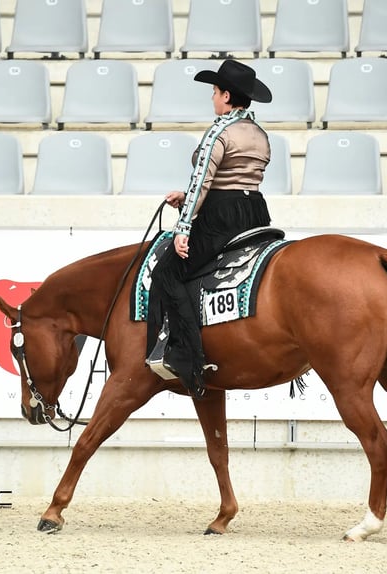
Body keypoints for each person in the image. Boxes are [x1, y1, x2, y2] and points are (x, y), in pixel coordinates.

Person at [146, 59, 273, 400]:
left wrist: (182, 227)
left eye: (215, 92)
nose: (213, 98)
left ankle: (186, 355)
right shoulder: (258, 133)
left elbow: (204, 181)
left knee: (168, 272)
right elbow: (234, 180)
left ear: (227, 96)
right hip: (255, 213)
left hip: (220, 218)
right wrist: (187, 197)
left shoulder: (220, 131)